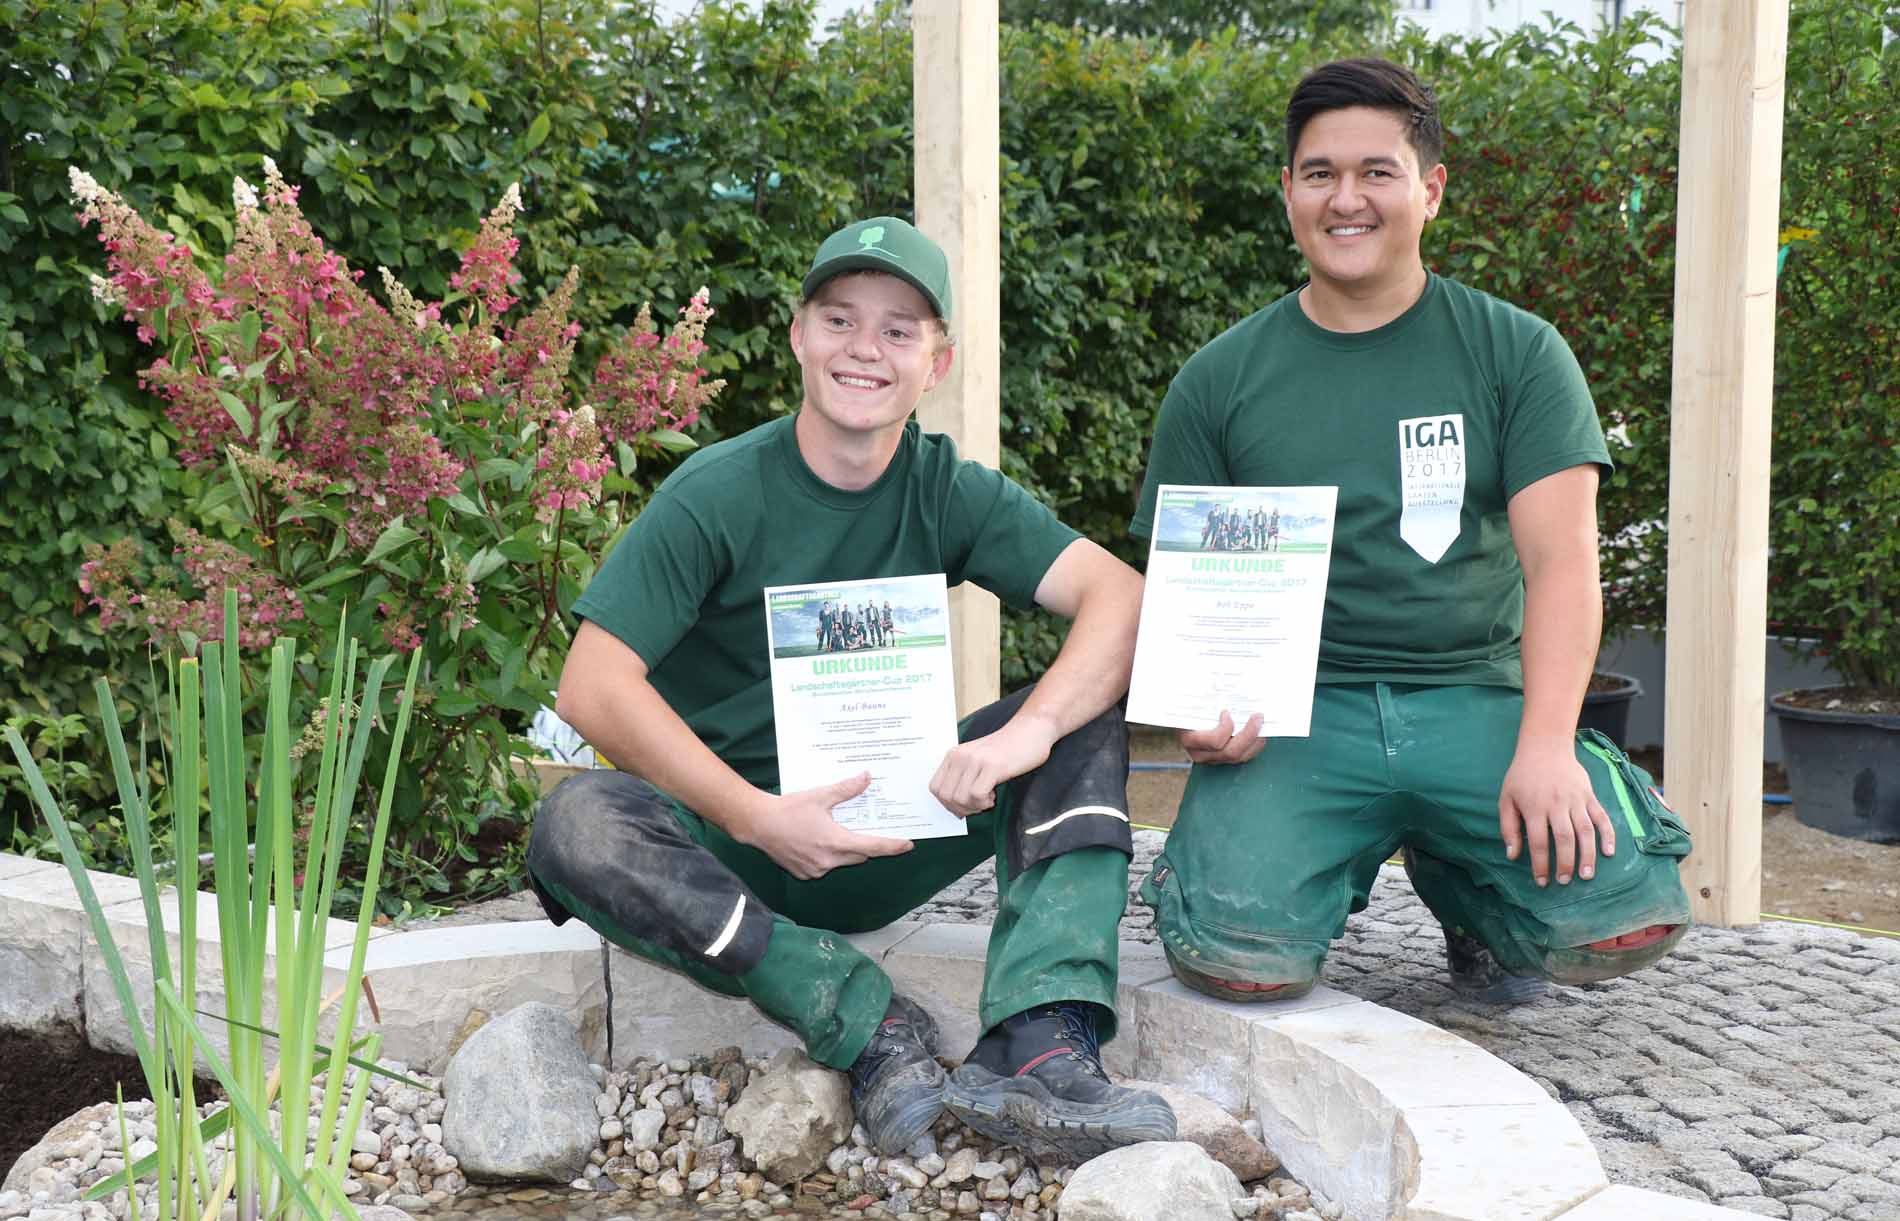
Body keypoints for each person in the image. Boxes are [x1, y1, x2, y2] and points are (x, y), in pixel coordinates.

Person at [529, 216, 1172, 1162]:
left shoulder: (945, 488)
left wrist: (1026, 731)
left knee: (1080, 720)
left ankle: (1037, 1046)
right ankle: (866, 1023)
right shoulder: (718, 492)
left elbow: (1118, 595)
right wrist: (753, 814)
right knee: (576, 823)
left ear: (936, 362)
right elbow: (591, 682)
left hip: (901, 823)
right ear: (798, 335)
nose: (864, 349)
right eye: (839, 319)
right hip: (731, 853)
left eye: (898, 330)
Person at [1130, 59, 1692, 1007]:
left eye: (1377, 173)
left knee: (1627, 918)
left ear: (1429, 190)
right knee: (1233, 961)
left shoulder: (1515, 352)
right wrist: (1197, 708)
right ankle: (1324, 857)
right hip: (1297, 715)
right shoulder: (1219, 379)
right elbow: (1183, 587)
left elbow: (1562, 569)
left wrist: (1549, 744)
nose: (1347, 199)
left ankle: (1470, 886)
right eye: (1319, 174)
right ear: (1288, 194)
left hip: (1474, 698)